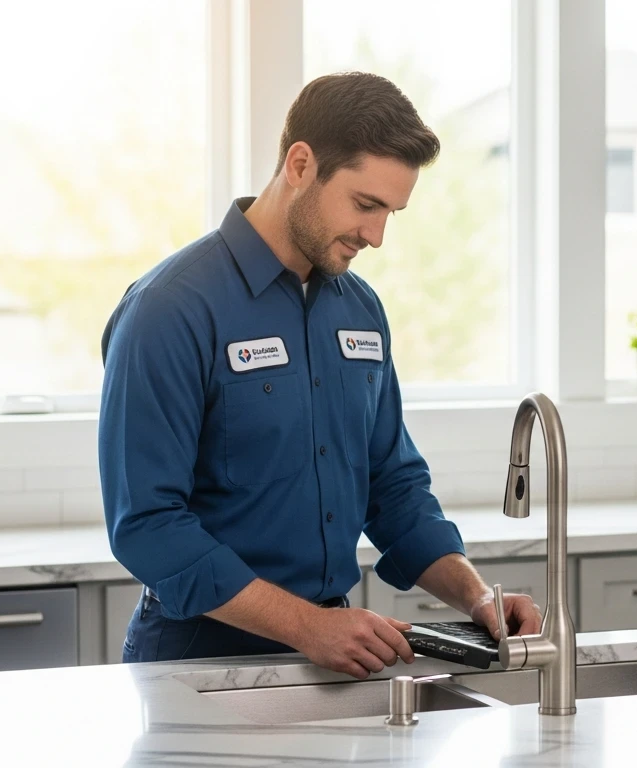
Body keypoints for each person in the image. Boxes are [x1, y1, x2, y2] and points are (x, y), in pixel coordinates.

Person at [98, 72, 541, 678]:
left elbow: (394, 489)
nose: (377, 235)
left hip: (331, 663)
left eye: (391, 211)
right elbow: (147, 527)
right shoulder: (170, 309)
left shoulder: (360, 310)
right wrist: (306, 626)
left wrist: (477, 596)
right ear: (300, 164)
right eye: (365, 205)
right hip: (195, 663)